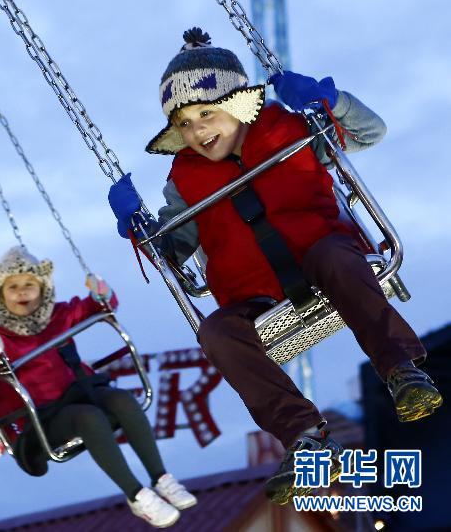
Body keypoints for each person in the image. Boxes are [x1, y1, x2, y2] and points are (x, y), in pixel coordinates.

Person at [108, 28, 442, 504]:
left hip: (322, 255)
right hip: (254, 295)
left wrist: (330, 102)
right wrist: (142, 230)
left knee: (336, 257)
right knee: (216, 333)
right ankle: (304, 435)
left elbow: (370, 132)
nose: (198, 131)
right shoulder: (183, 181)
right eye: (184, 123)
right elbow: (174, 252)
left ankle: (401, 370)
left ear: (239, 104)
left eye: (206, 113)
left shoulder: (293, 129)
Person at [0, 247, 195, 528]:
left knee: (122, 399)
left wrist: (101, 294)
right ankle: (137, 495)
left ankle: (161, 478)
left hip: (80, 392)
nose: (22, 292)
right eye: (13, 287)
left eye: (29, 284)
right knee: (88, 417)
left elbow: (100, 308)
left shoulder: (58, 315)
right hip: (43, 418)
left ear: (43, 288)